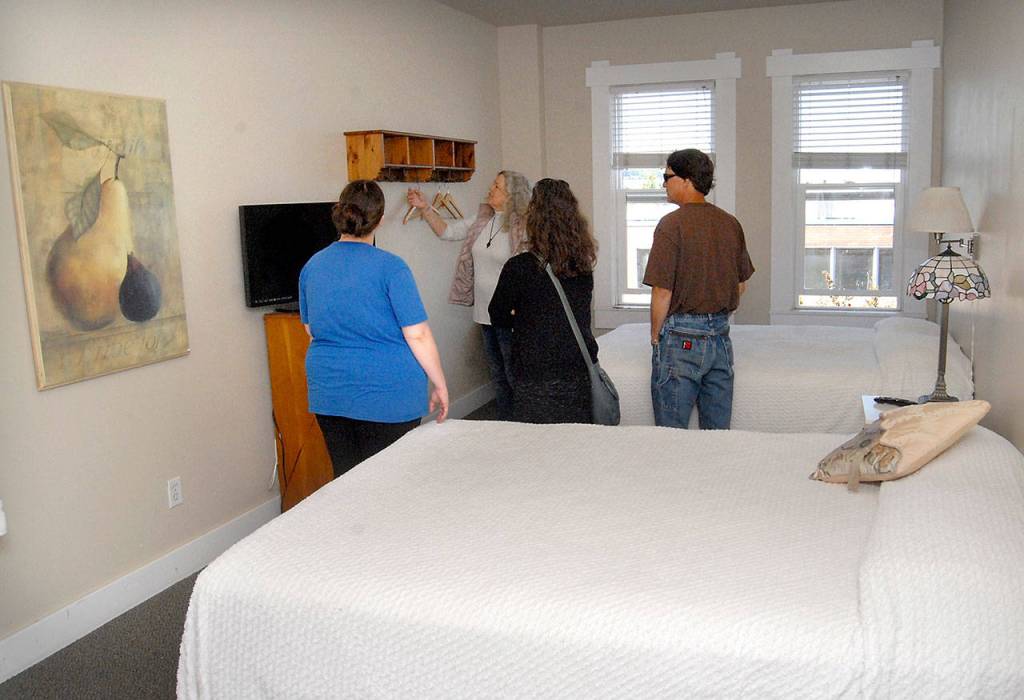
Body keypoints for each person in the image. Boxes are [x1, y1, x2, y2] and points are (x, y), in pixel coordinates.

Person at [300, 180, 449, 479]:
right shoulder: (392, 268)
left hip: (331, 389)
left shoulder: (313, 266)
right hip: (388, 392)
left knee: (347, 478)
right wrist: (440, 385)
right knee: (391, 480)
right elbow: (417, 334)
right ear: (379, 220)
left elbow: (311, 329)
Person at [643, 149, 755, 430]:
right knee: (717, 435)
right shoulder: (730, 223)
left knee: (671, 435)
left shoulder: (671, 224)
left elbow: (662, 291)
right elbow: (740, 285)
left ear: (687, 180)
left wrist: (656, 336)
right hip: (720, 337)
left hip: (681, 337)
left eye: (667, 176)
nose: (663, 183)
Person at [406, 171, 531, 420]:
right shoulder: (484, 219)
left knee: (514, 372)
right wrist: (425, 208)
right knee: (496, 372)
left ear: (510, 195)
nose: (490, 189)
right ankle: (505, 422)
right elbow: (448, 232)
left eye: (496, 186)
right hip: (484, 312)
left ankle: (525, 422)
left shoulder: (524, 227)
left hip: (512, 314)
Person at [488, 178, 599, 424]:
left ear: (535, 218)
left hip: (534, 369)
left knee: (536, 444)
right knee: (577, 438)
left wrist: (522, 315)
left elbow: (497, 315)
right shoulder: (582, 264)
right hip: (577, 366)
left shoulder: (519, 266)